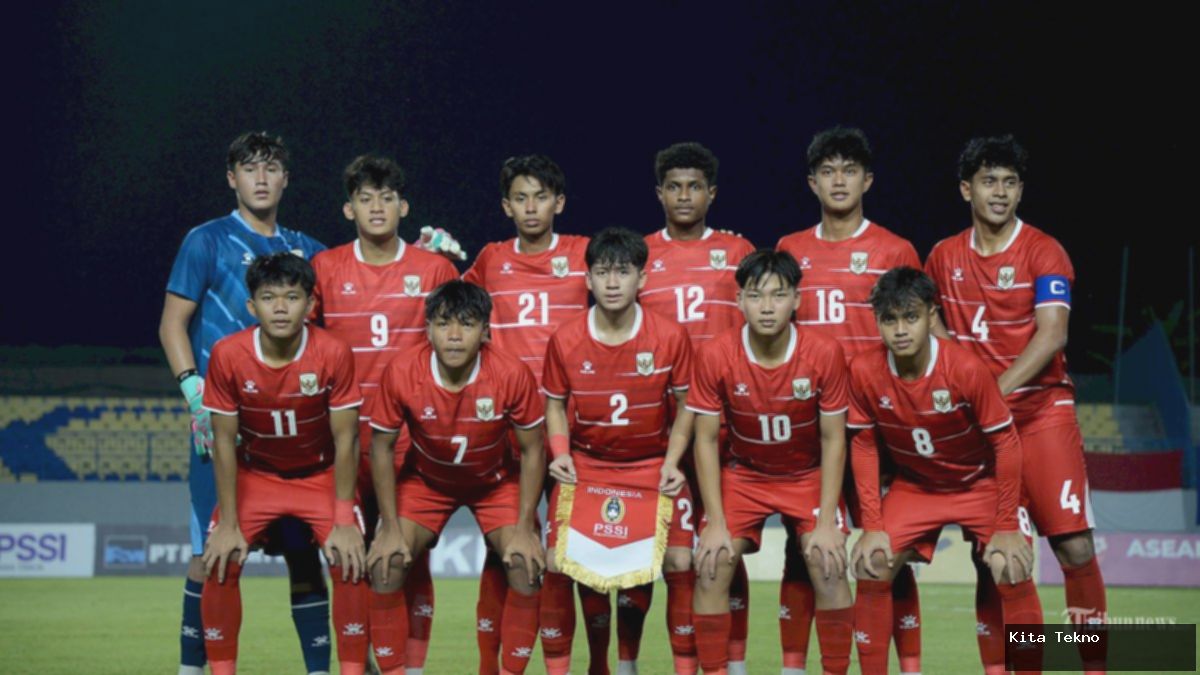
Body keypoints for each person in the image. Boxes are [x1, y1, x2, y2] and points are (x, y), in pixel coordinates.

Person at [925, 135, 1106, 674]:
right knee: (995, 559)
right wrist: (960, 377)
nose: (999, 192)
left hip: (1040, 413)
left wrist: (989, 393)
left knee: (1074, 549)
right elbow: (931, 323)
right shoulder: (943, 256)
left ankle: (1093, 666)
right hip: (982, 431)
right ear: (967, 190)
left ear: (1021, 190)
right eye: (988, 181)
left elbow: (1052, 335)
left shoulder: (1044, 251)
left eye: (1009, 182)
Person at [159, 131, 330, 675]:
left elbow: (353, 307)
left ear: (285, 179)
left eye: (271, 167)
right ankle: (192, 670)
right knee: (209, 553)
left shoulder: (311, 251)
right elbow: (172, 323)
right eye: (249, 168)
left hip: (293, 431)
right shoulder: (206, 240)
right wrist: (194, 390)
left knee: (304, 554)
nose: (261, 177)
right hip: (222, 425)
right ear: (232, 178)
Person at [775, 127, 923, 675]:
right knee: (804, 551)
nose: (839, 181)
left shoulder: (896, 250)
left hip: (878, 429)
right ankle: (795, 667)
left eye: (850, 170)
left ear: (868, 180)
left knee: (888, 553)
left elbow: (915, 336)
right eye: (828, 171)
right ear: (812, 182)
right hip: (810, 428)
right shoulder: (790, 249)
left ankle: (907, 668)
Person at [846, 267, 1041, 675]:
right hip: (917, 487)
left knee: (1011, 565)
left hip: (979, 482)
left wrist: (1007, 524)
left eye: (911, 317)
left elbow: (1007, 443)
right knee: (872, 563)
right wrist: (872, 525)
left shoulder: (965, 369)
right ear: (877, 321)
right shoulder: (864, 371)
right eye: (889, 319)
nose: (901, 330)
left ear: (931, 315)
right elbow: (863, 445)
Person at [309, 154, 460, 673]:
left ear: (404, 207)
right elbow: (300, 343)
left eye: (387, 198)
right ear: (348, 209)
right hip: (345, 442)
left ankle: (409, 668)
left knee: (408, 559)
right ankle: (360, 664)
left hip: (412, 442)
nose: (377, 207)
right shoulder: (325, 268)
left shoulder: (435, 269)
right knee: (348, 558)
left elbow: (464, 337)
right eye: (365, 198)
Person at [199, 252, 369, 675]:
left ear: (309, 304)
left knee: (349, 559)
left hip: (321, 476)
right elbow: (223, 442)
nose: (280, 308)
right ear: (251, 306)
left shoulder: (333, 351)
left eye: (292, 297)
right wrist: (228, 524)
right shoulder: (227, 354)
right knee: (219, 558)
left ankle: (351, 670)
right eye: (268, 297)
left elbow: (346, 438)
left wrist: (344, 519)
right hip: (257, 475)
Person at [365, 280, 546, 675]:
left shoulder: (510, 373)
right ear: (428, 329)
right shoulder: (402, 371)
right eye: (444, 323)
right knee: (386, 563)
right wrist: (389, 527)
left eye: (466, 324)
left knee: (525, 563)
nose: (453, 334)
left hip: (495, 483)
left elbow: (534, 449)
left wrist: (524, 528)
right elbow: (381, 448)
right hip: (426, 482)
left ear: (485, 331)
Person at [539, 227, 698, 675]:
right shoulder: (566, 338)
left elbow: (688, 405)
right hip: (588, 466)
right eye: (603, 272)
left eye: (623, 272)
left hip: (651, 467)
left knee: (680, 561)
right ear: (587, 279)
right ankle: (595, 666)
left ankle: (636, 665)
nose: (612, 283)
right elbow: (554, 403)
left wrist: (673, 462)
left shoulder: (669, 336)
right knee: (560, 563)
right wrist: (560, 452)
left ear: (641, 279)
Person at [689, 250, 854, 675]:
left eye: (778, 296)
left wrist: (826, 522)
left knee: (828, 562)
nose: (767, 307)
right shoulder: (715, 354)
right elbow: (704, 439)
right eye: (756, 295)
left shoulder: (824, 353)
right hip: (745, 475)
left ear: (796, 300)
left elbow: (834, 438)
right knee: (712, 562)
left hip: (806, 476)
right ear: (739, 300)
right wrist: (716, 522)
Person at [461, 154, 594, 674]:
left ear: (559, 203)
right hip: (506, 431)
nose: (531, 207)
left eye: (540, 197)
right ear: (506, 206)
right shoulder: (491, 259)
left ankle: (576, 665)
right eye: (521, 198)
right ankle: (489, 667)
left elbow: (632, 273)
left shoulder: (583, 253)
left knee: (567, 557)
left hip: (571, 430)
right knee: (505, 553)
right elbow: (455, 303)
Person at [639, 141, 756, 672]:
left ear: (712, 193)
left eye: (694, 187)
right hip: (660, 432)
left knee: (724, 549)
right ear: (659, 193)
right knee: (671, 559)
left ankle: (736, 664)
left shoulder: (738, 251)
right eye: (674, 187)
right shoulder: (642, 256)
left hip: (730, 429)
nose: (684, 196)